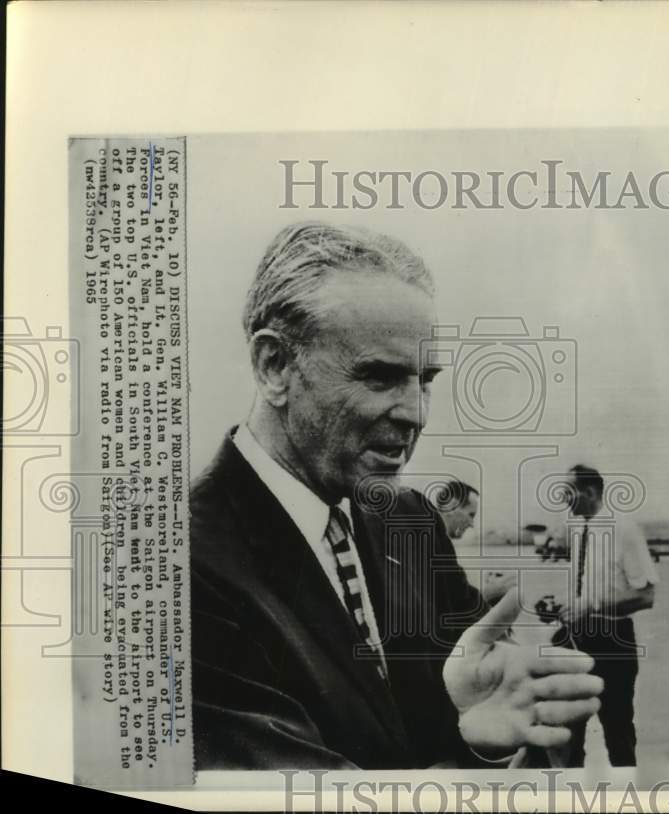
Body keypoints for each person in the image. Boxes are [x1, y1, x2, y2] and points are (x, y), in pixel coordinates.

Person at [190, 222, 603, 769]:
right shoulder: (179, 561)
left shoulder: (411, 522)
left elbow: (468, 712)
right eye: (380, 377)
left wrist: (482, 743)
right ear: (275, 366)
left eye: (424, 380)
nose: (416, 413)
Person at [554, 464, 659, 766]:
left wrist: (591, 605)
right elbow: (585, 591)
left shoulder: (624, 530)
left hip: (613, 642)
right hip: (576, 639)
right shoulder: (577, 529)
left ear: (589, 492)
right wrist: (566, 607)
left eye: (568, 492)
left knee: (618, 734)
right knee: (568, 736)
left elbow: (646, 596)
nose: (563, 498)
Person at [435, 479, 516, 604]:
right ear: (451, 507)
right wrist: (495, 590)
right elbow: (456, 605)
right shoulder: (435, 546)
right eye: (471, 515)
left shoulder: (435, 541)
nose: (472, 524)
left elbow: (455, 596)